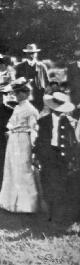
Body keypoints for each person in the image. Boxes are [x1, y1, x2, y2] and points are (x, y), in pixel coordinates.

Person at [0, 79, 41, 214]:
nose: (18, 95)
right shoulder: (17, 107)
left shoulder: (30, 110)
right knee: (11, 169)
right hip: (13, 140)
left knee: (23, 170)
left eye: (21, 92)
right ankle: (10, 203)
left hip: (23, 140)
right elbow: (11, 123)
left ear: (27, 94)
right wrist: (10, 131)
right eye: (16, 93)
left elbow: (34, 129)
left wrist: (33, 147)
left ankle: (26, 205)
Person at [34, 92, 79, 224]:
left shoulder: (69, 122)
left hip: (62, 156)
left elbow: (73, 141)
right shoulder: (43, 121)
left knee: (62, 185)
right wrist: (38, 155)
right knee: (48, 183)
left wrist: (72, 158)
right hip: (49, 156)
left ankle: (60, 215)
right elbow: (39, 140)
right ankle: (51, 212)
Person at [14, 44, 49, 111]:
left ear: (36, 54)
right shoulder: (20, 67)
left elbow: (46, 82)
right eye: (29, 53)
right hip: (25, 99)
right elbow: (16, 83)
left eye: (33, 53)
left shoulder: (42, 67)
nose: (31, 55)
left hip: (39, 99)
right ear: (26, 54)